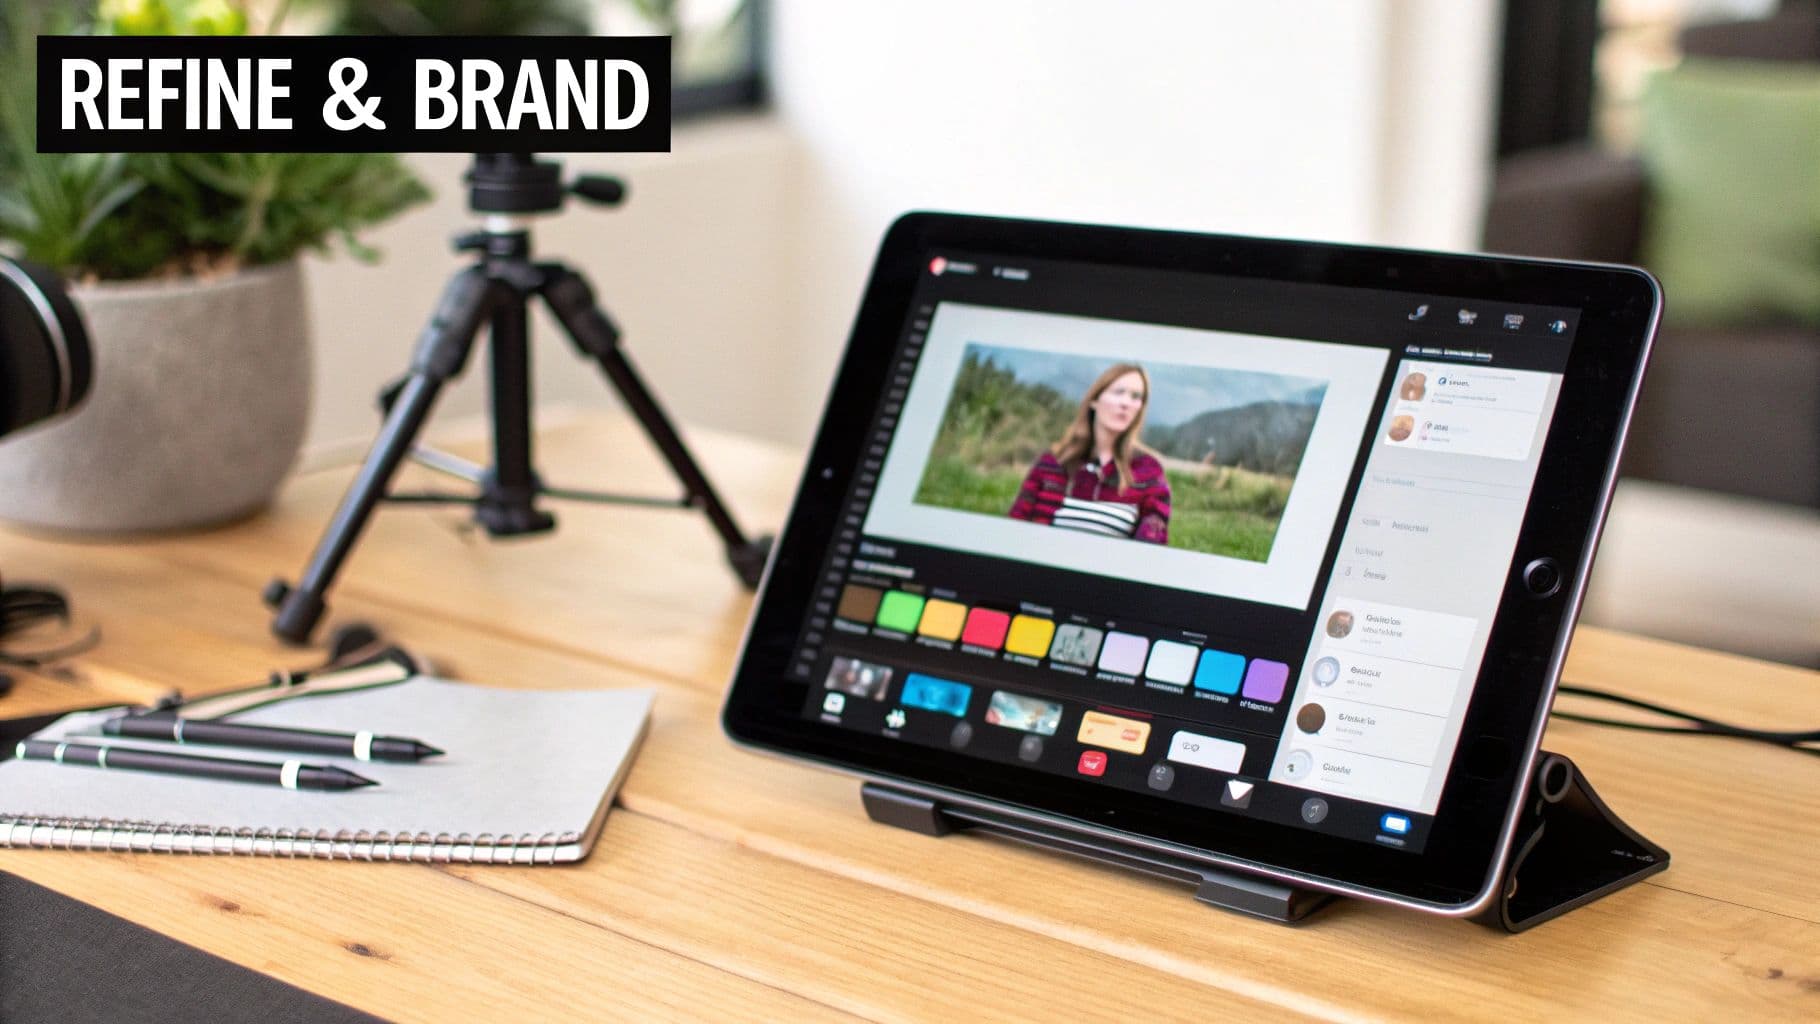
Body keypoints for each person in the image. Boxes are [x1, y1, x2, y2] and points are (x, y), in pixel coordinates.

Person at [1008, 363, 1171, 543]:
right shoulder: (1053, 462)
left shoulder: (1150, 471)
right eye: (1119, 392)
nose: (1126, 403)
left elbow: (1151, 546)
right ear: (1094, 400)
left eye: (1136, 396)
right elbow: (1015, 528)